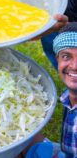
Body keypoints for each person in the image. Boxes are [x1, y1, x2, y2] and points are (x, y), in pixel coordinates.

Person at [22, 22, 77, 157]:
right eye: (66, 56)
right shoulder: (67, 96)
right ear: (57, 59)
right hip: (67, 153)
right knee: (23, 141)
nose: (74, 66)